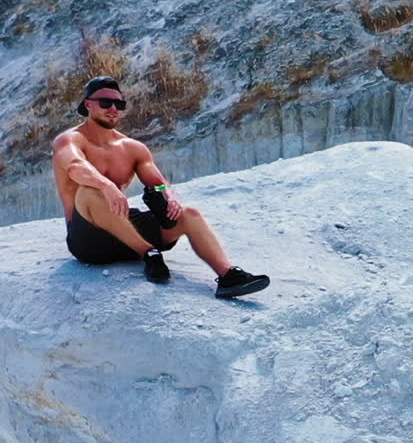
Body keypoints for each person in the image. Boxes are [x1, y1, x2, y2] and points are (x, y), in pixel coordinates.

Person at [52, 75, 270, 298]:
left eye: (119, 104)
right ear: (88, 104)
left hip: (125, 233)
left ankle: (228, 276)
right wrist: (106, 185)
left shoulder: (133, 148)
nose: (113, 109)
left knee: (189, 214)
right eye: (105, 103)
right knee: (90, 190)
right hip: (89, 241)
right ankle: (148, 253)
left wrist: (169, 197)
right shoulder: (70, 140)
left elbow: (158, 184)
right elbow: (75, 167)